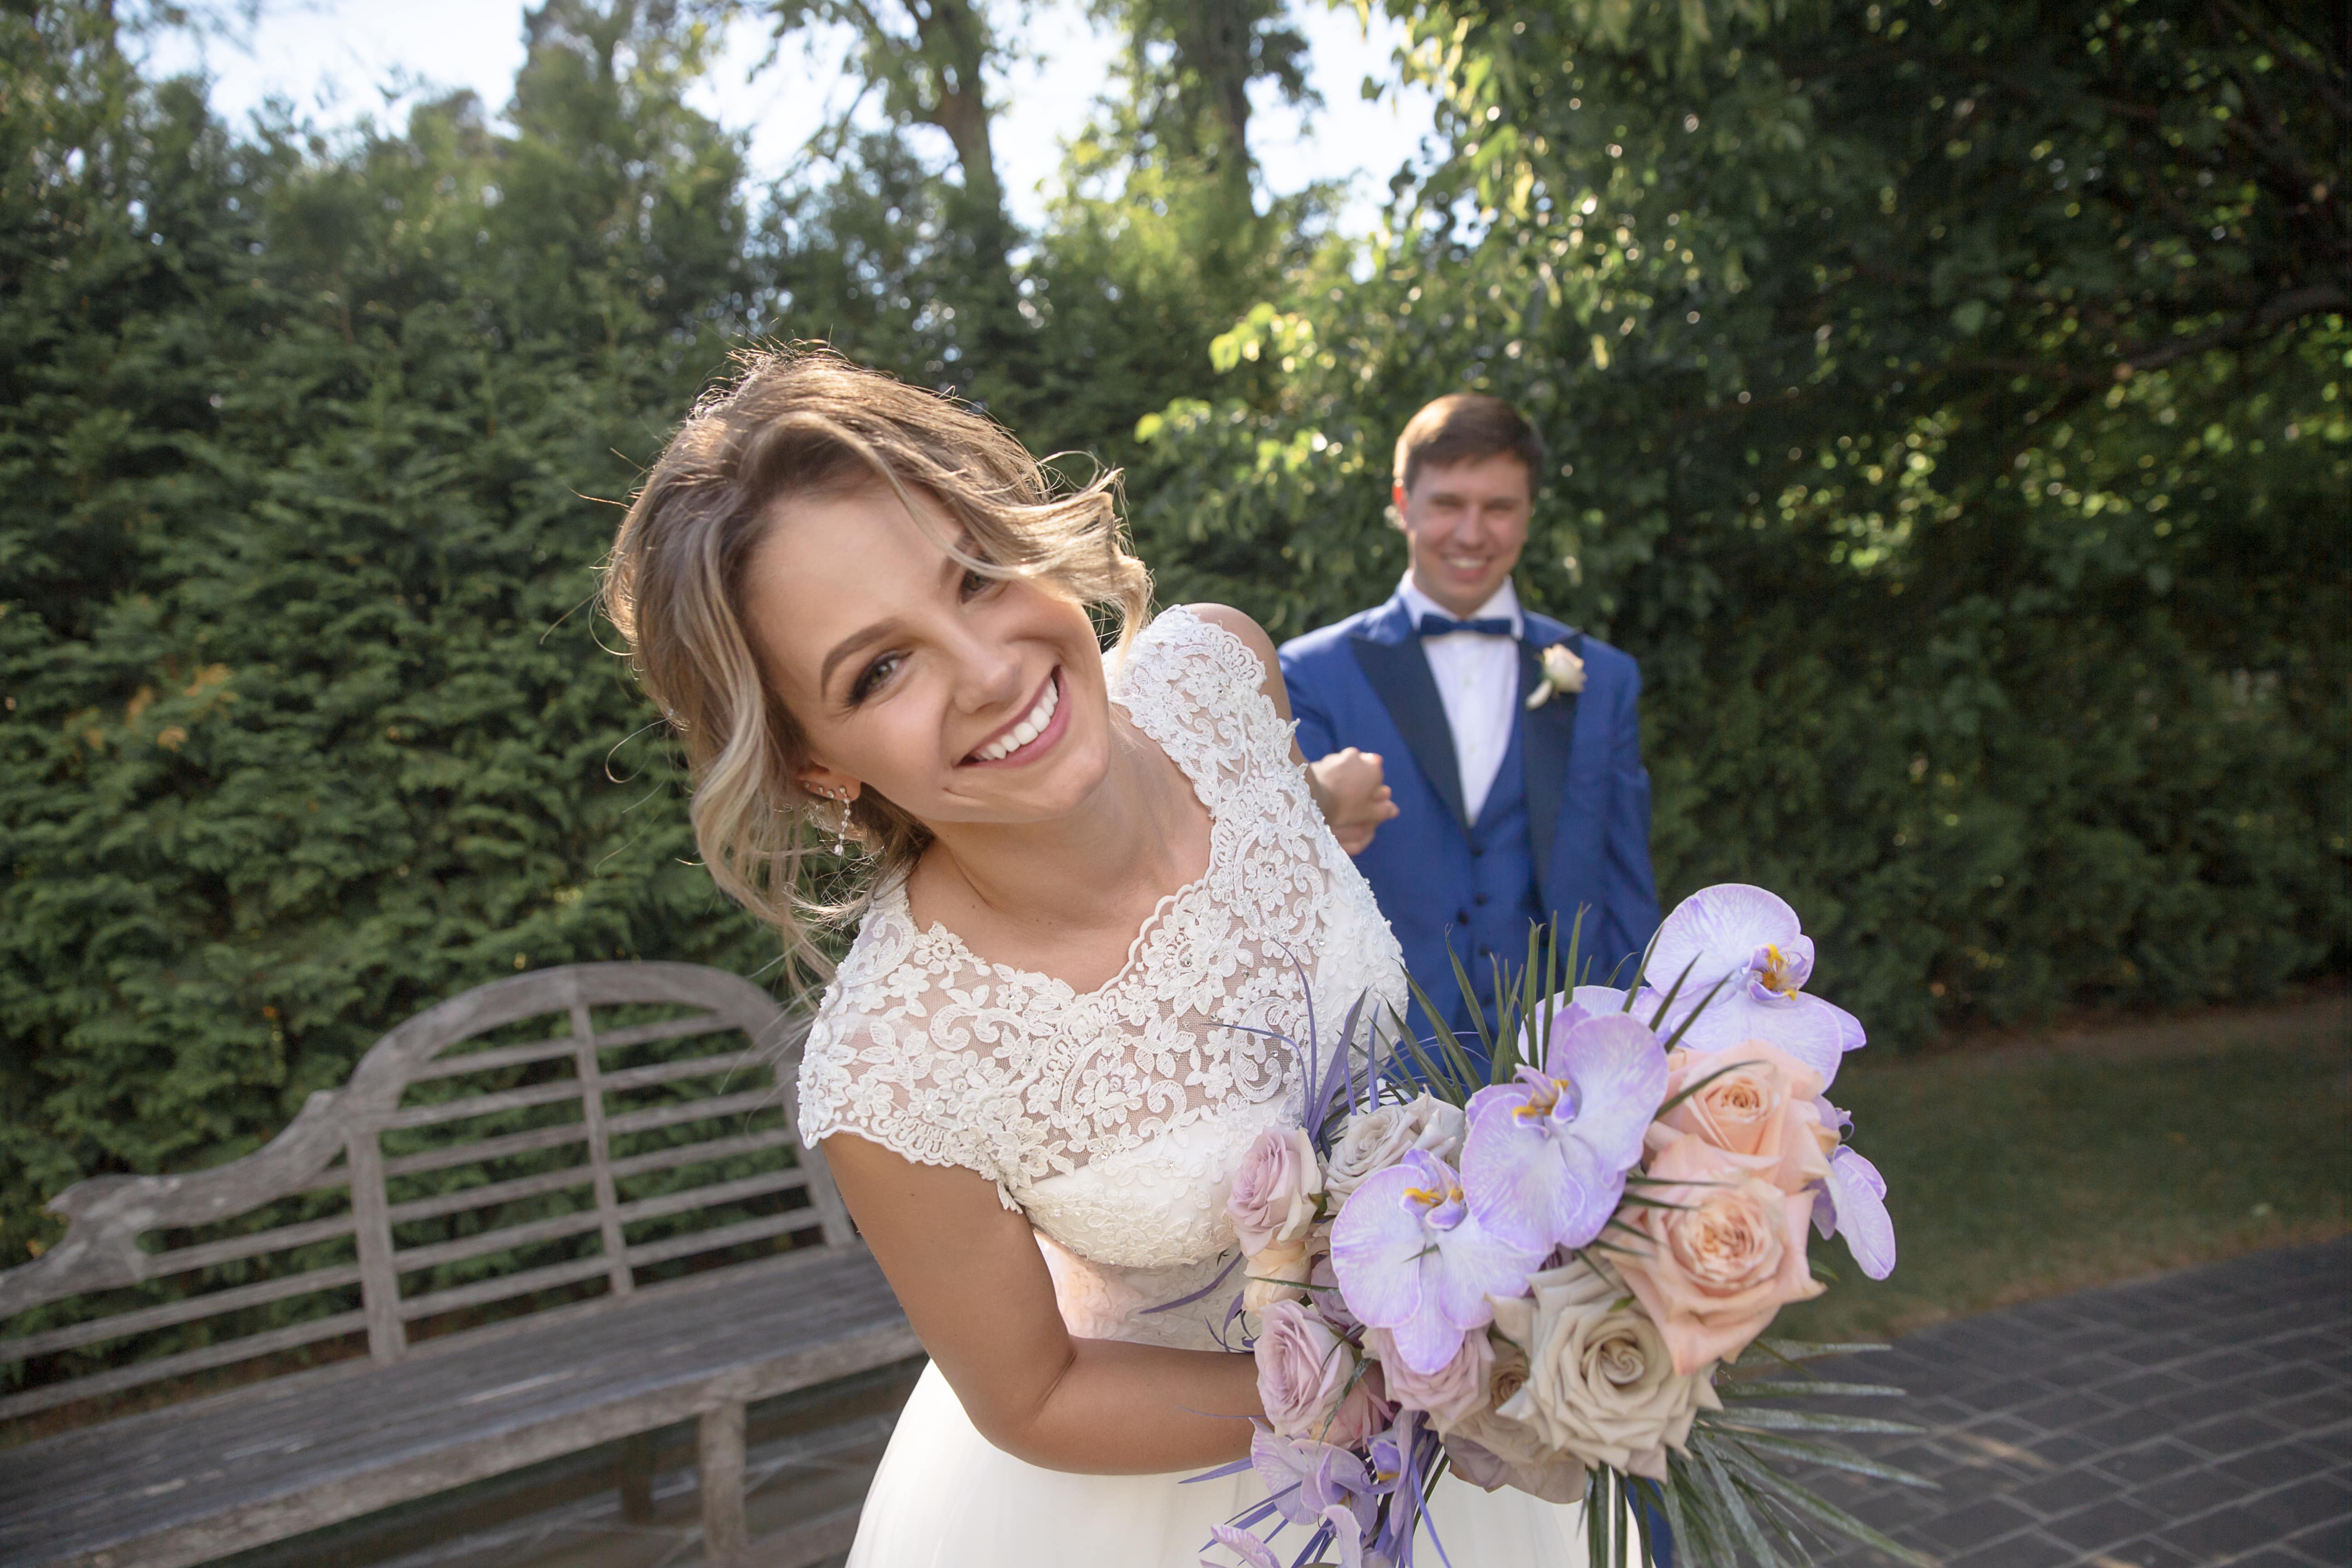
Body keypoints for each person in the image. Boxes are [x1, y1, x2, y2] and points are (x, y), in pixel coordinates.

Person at [600, 349, 1598, 1567]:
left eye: (974, 575)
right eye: (880, 670)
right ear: (816, 764)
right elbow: (1036, 1395)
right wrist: (1377, 1392)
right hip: (1199, 1505)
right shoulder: (891, 1071)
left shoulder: (1224, 674)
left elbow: (1278, 851)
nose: (988, 672)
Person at [1279, 393, 1662, 1045]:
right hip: (1382, 1058)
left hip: (1562, 1060)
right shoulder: (1310, 675)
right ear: (1403, 504)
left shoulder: (1604, 680)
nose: (1472, 534)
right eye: (1449, 504)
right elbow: (1287, 892)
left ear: (1529, 514)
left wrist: (1644, 1047)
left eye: (1499, 508)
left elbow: (1627, 889)